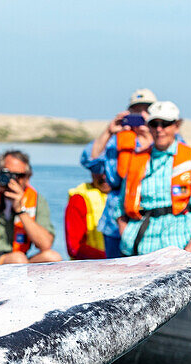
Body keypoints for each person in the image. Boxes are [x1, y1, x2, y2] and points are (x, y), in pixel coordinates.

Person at [114, 101, 191, 256]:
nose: (159, 129)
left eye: (165, 124)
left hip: (178, 245)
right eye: (154, 124)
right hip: (139, 246)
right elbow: (120, 205)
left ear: (177, 126)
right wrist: (125, 233)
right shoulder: (138, 158)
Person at [79, 88, 158, 258]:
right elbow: (89, 160)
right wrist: (108, 131)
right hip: (116, 218)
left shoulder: (162, 135)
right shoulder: (117, 140)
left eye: (146, 109)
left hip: (151, 219)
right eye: (136, 110)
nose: (141, 114)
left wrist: (149, 135)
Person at [65, 172, 110, 259]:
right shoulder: (78, 200)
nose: (104, 176)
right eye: (98, 170)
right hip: (92, 267)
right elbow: (74, 248)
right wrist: (110, 258)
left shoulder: (131, 196)